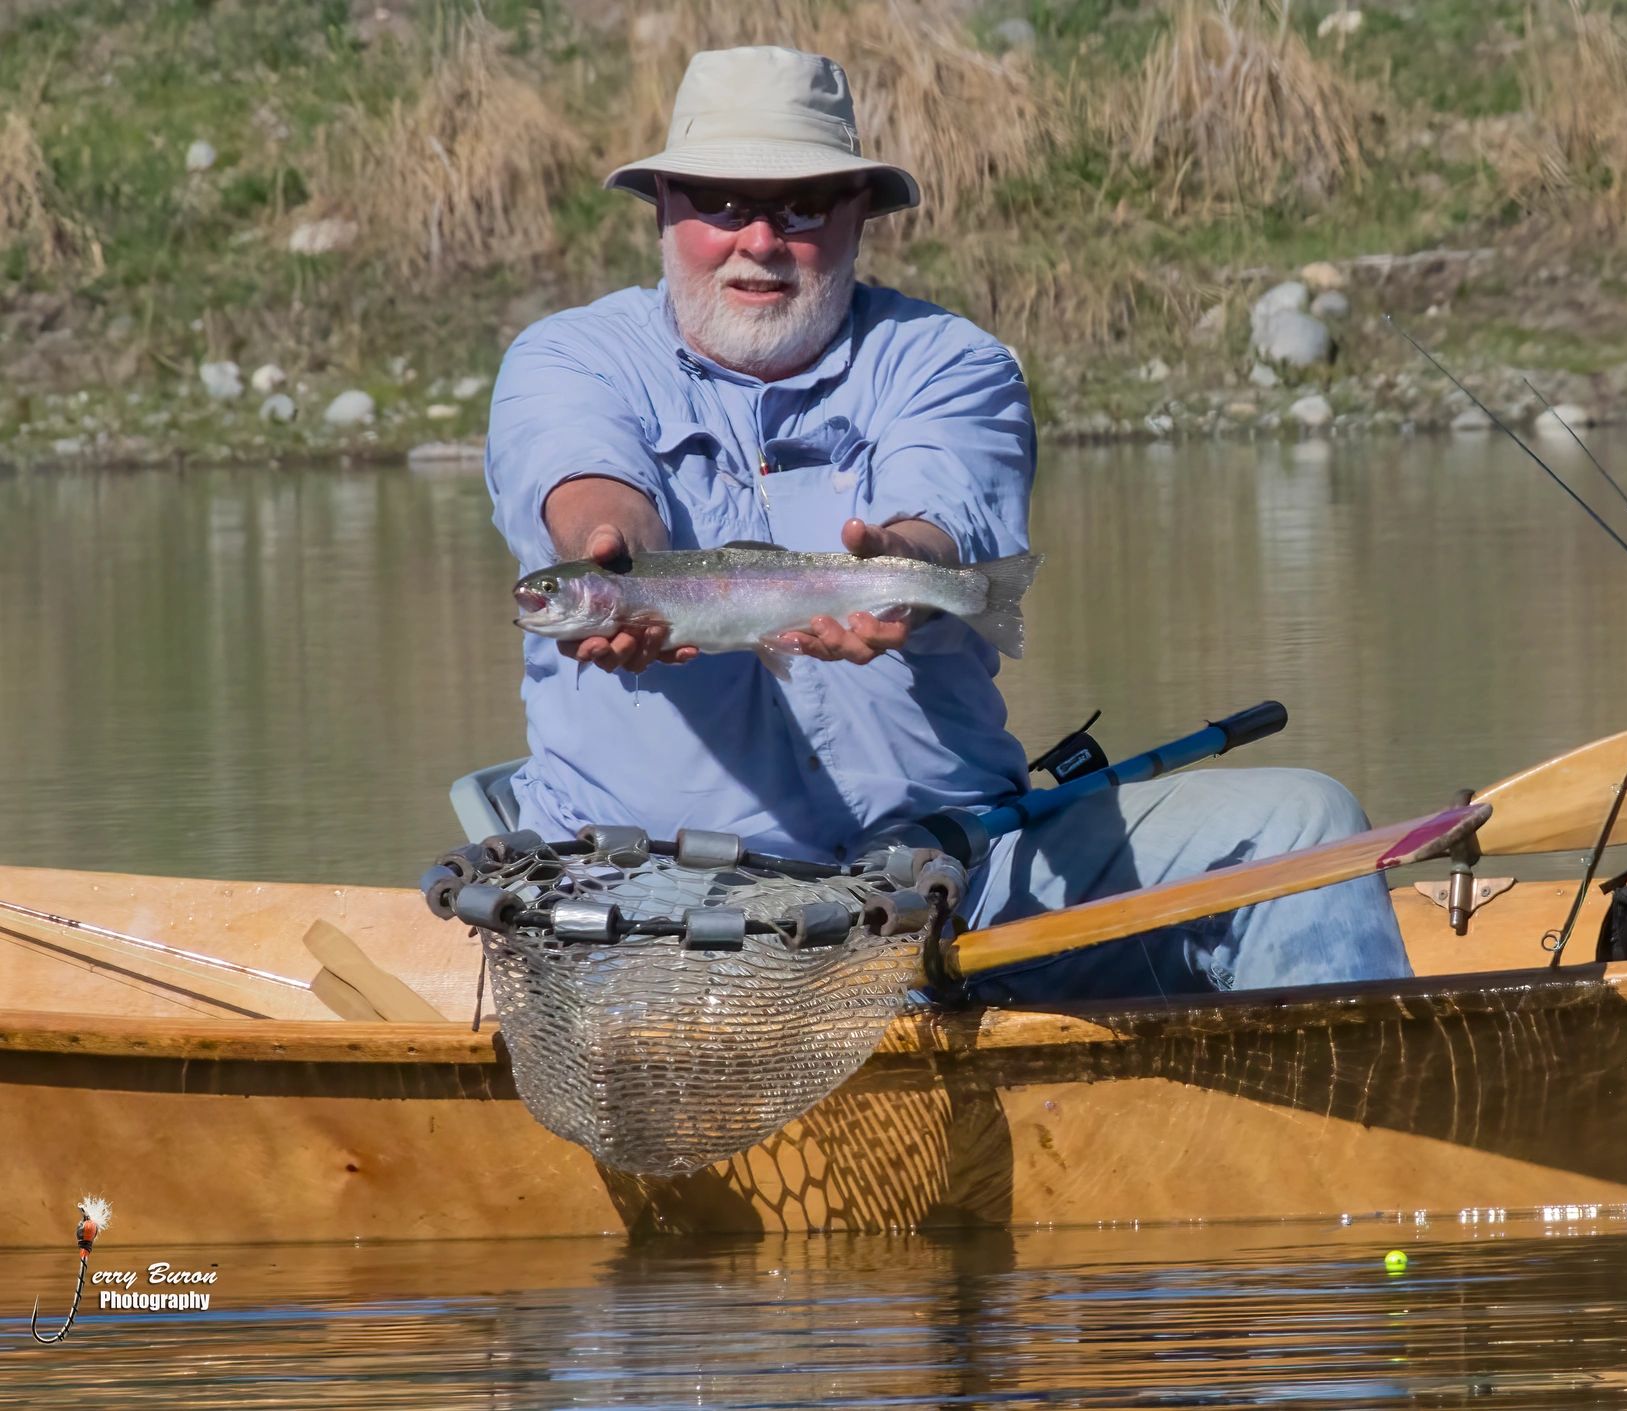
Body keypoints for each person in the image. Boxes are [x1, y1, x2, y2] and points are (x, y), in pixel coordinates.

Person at [482, 46, 1410, 1001]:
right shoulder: (569, 357)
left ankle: (1353, 1145)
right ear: (666, 208)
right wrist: (609, 559)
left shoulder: (949, 361)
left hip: (962, 874)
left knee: (1314, 823)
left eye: (801, 207)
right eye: (720, 203)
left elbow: (943, 511)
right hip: (656, 903)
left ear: (857, 216)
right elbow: (587, 487)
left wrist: (902, 570)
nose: (758, 238)